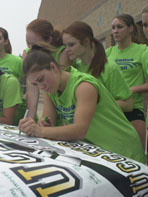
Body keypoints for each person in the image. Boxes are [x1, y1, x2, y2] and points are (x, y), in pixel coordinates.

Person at [18, 42, 146, 164]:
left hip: (124, 153)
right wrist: (42, 124)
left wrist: (40, 131)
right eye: (35, 84)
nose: (41, 87)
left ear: (53, 67)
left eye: (41, 79)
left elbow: (79, 130)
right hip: (99, 153)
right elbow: (47, 122)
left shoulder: (83, 85)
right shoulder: (51, 89)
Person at [62, 21, 133, 112]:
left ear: (86, 41)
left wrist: (94, 104)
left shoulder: (109, 68)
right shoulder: (73, 69)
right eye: (65, 45)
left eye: (71, 45)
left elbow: (128, 104)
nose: (67, 50)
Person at [106, 14, 148, 149]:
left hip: (134, 110)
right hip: (113, 110)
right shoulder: (108, 53)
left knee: (138, 157)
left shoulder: (142, 50)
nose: (115, 31)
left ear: (130, 28)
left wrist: (133, 89)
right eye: (113, 28)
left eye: (119, 27)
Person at [24, 19, 73, 120]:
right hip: (50, 108)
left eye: (34, 44)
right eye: (28, 43)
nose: (31, 48)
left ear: (49, 39)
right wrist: (30, 118)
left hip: (66, 111)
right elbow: (32, 90)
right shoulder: (28, 54)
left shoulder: (63, 53)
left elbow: (61, 89)